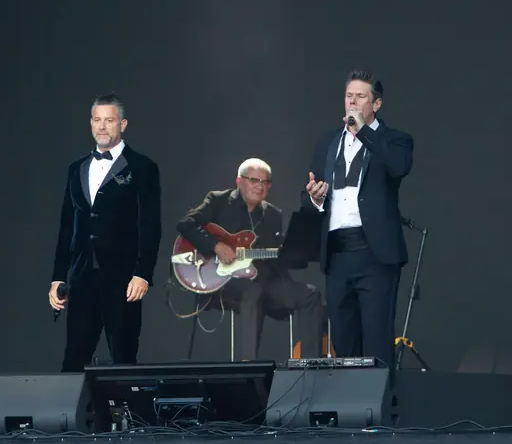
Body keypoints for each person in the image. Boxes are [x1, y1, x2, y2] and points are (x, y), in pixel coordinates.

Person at [302, 69, 414, 366]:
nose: (352, 102)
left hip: (375, 254)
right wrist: (315, 197)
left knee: (377, 343)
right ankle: (350, 410)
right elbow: (308, 195)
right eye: (348, 96)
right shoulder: (327, 142)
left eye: (360, 96)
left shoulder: (396, 141)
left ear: (376, 104)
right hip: (338, 255)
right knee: (344, 342)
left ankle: (383, 411)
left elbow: (398, 167)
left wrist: (364, 130)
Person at [49, 93, 162, 371]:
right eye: (97, 120)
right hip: (82, 276)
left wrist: (143, 273)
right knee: (74, 358)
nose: (102, 126)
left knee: (123, 357)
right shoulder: (76, 169)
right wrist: (58, 278)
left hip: (122, 278)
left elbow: (150, 224)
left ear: (122, 124)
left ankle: (126, 416)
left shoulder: (142, 167)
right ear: (90, 124)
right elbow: (67, 226)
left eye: (109, 120)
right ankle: (74, 415)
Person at [176, 158, 324, 360]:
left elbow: (276, 258)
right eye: (255, 180)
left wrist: (293, 256)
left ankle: (311, 363)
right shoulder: (218, 200)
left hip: (264, 280)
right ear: (239, 181)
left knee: (311, 294)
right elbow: (186, 224)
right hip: (223, 283)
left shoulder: (273, 214)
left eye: (265, 182)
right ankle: (249, 366)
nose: (260, 186)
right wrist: (216, 246)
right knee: (253, 291)